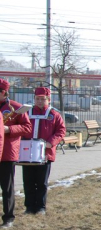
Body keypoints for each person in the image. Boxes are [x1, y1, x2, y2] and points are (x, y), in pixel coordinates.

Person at [21, 87, 66, 216]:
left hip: (45, 153)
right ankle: (29, 207)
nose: (40, 101)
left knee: (42, 182)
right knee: (28, 181)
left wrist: (50, 142)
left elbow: (61, 131)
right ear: (34, 99)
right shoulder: (27, 113)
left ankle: (41, 207)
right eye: (37, 99)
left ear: (48, 100)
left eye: (43, 99)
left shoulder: (54, 115)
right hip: (27, 152)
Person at [0, 79, 32, 228]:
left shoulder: (16, 108)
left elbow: (27, 128)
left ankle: (8, 218)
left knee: (7, 186)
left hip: (7, 152)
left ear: (4, 92)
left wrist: (9, 130)